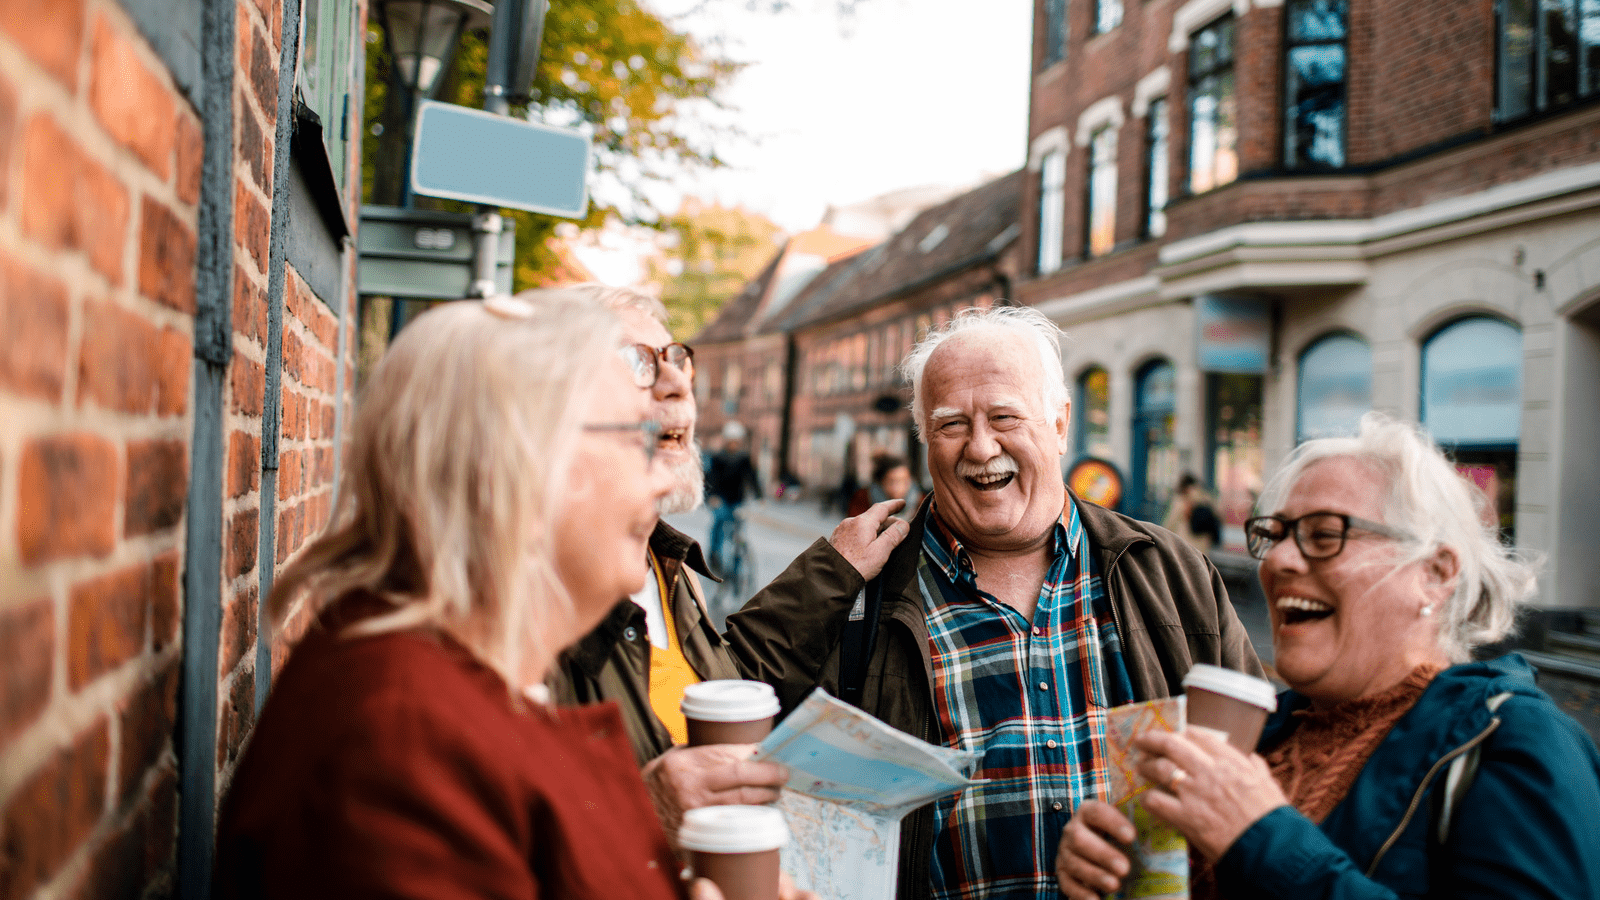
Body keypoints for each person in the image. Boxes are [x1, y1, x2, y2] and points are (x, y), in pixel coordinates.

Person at [212, 294, 778, 899]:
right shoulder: (403, 744)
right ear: (520, 480)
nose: (664, 475)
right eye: (637, 442)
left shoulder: (457, 683)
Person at [724, 305, 1262, 900]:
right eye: (951, 425)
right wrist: (824, 578)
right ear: (925, 440)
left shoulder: (1167, 571)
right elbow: (715, 708)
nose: (981, 449)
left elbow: (1265, 779)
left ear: (1060, 424)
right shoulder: (858, 588)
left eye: (1005, 417)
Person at [1056, 412, 1600, 900]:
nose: (1280, 561)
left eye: (1323, 534)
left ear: (1435, 574)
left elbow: (1270, 855)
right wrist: (1113, 877)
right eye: (1274, 534)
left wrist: (1262, 839)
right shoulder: (1264, 737)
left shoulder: (1516, 743)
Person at [544, 284, 907, 839]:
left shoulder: (665, 565)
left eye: (676, 360)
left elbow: (728, 686)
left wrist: (836, 567)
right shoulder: (529, 591)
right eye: (636, 362)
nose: (677, 382)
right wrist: (646, 808)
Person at [705, 420, 761, 571]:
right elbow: (711, 478)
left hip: (738, 500)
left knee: (739, 532)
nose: (734, 444)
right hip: (721, 499)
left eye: (736, 441)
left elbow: (752, 477)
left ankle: (736, 567)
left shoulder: (744, 458)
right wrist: (712, 496)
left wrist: (759, 496)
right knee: (719, 520)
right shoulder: (718, 457)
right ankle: (714, 553)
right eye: (731, 441)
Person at [847, 453, 920, 517]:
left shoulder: (921, 501)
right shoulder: (863, 499)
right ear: (881, 482)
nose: (898, 488)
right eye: (892, 482)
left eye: (903, 481)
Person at [1163, 472, 1220, 552]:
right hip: (1203, 541)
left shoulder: (1181, 500)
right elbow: (1217, 515)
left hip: (1185, 541)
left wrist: (1163, 535)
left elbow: (1171, 521)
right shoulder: (1206, 498)